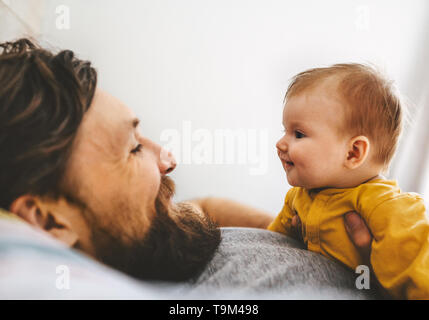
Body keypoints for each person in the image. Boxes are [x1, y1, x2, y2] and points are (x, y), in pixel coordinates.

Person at [0, 39, 374, 295]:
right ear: (49, 221)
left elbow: (203, 206)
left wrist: (309, 234)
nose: (169, 158)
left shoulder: (149, 239)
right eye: (133, 149)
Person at [269, 63, 429, 299]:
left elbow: (420, 276)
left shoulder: (387, 207)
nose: (281, 143)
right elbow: (271, 243)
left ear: (353, 152)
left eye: (298, 134)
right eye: (285, 130)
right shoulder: (299, 196)